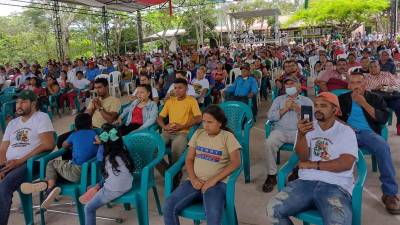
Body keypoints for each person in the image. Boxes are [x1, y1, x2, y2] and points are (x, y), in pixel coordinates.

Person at [267, 92, 357, 225]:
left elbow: (346, 163)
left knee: (338, 222)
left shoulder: (345, 131)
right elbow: (303, 157)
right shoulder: (307, 127)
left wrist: (313, 165)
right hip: (305, 182)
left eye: (323, 105)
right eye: (316, 105)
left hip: (335, 186)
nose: (318, 108)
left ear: (335, 110)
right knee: (273, 209)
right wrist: (302, 135)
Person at [163, 105, 241, 225]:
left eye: (210, 122)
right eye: (204, 121)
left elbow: (236, 162)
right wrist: (193, 179)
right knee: (168, 205)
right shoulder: (198, 134)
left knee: (213, 212)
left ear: (220, 123)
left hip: (217, 184)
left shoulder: (227, 137)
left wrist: (213, 181)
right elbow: (189, 159)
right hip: (194, 182)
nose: (206, 125)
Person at [338, 72, 400, 214]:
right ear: (348, 85)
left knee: (383, 147)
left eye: (359, 82)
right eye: (352, 83)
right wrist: (346, 126)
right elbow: (333, 117)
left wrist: (363, 103)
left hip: (368, 133)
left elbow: (383, 119)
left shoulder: (375, 98)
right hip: (347, 134)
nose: (355, 86)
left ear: (365, 84)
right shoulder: (342, 99)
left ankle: (390, 193)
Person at [20, 113, 99, 209]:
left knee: (52, 164)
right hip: (92, 173)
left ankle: (49, 188)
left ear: (76, 128)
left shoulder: (74, 134)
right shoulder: (95, 134)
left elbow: (64, 145)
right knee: (62, 167)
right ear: (91, 125)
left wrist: (71, 144)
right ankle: (46, 183)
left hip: (76, 172)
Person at [0, 90, 55, 225]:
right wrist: (2, 167)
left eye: (23, 102)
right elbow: (2, 149)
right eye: (17, 102)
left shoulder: (41, 118)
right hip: (10, 164)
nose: (19, 105)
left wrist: (19, 161)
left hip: (31, 163)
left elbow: (49, 145)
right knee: (4, 182)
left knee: (5, 186)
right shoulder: (13, 123)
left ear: (33, 104)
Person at [262, 76, 313, 193]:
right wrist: (285, 108)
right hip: (280, 131)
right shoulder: (279, 100)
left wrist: (297, 108)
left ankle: (297, 171)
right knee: (269, 143)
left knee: (307, 145)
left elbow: (310, 120)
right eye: (287, 84)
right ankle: (271, 175)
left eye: (292, 84)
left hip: (299, 131)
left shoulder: (306, 101)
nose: (289, 86)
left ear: (299, 86)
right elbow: (270, 116)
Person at [80, 124, 134, 225]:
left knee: (88, 208)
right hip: (128, 184)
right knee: (109, 174)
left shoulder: (103, 153)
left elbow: (101, 164)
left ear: (103, 140)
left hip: (114, 189)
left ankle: (96, 188)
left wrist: (101, 144)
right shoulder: (123, 150)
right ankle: (97, 187)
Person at [157, 78, 202, 172]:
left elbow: (199, 118)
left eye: (180, 88)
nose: (177, 90)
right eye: (175, 88)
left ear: (186, 88)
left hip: (183, 132)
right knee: (154, 149)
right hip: (168, 131)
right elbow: (160, 118)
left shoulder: (191, 100)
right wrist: (164, 127)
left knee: (176, 147)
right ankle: (168, 173)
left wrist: (182, 126)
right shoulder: (170, 101)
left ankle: (175, 174)